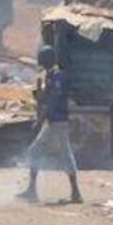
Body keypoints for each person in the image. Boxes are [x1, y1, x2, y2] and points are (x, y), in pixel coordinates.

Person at [17, 45, 83, 204]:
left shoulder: (57, 76)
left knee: (61, 154)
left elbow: (54, 101)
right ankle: (34, 190)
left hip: (57, 121)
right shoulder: (51, 75)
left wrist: (40, 118)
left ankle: (74, 193)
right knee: (38, 152)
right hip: (54, 121)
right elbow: (48, 97)